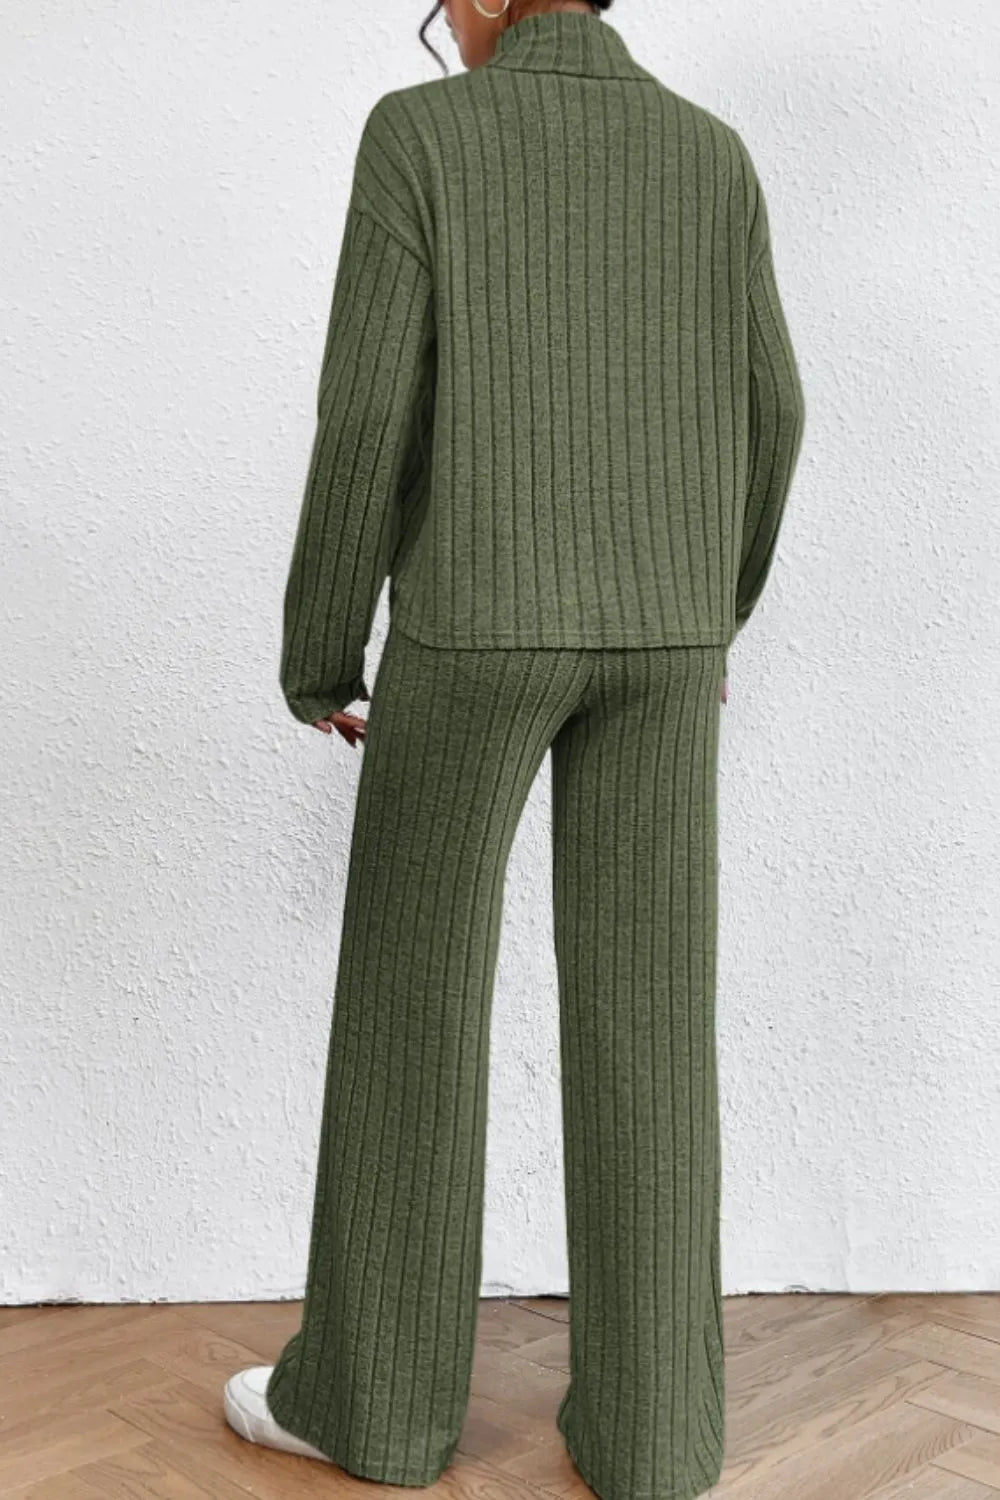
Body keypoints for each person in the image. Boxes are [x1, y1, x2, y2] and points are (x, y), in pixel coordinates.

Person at [224, 1, 805, 1497]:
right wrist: (709, 616)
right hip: (667, 645)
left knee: (411, 1004)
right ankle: (656, 1439)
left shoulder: (421, 136)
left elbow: (366, 414)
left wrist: (319, 651)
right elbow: (775, 410)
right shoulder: (711, 154)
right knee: (650, 1022)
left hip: (473, 632)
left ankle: (378, 1410)